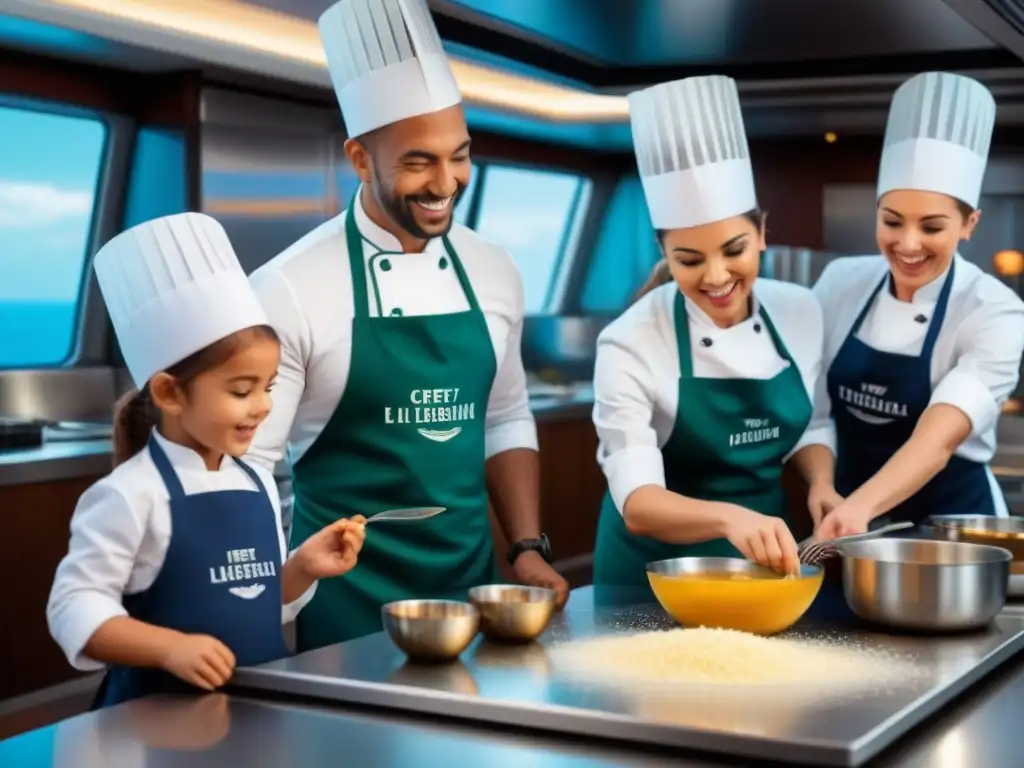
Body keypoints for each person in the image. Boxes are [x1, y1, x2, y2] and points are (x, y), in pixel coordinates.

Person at [246, 0, 568, 651]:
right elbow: (247, 467)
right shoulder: (290, 286)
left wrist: (526, 547)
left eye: (460, 156)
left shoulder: (494, 269)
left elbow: (504, 417)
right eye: (419, 161)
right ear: (360, 159)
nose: (446, 182)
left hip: (468, 589)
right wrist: (259, 603)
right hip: (344, 598)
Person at [46, 213, 366, 709]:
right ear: (170, 393)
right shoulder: (130, 495)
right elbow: (72, 609)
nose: (262, 406)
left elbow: (253, 601)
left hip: (255, 714)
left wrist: (301, 568)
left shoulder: (256, 481)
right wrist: (169, 648)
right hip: (155, 723)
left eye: (269, 387)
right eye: (241, 390)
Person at [590, 75, 837, 587]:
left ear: (763, 232)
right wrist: (730, 518)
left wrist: (822, 483)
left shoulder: (801, 311)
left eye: (734, 250)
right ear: (664, 253)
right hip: (650, 574)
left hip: (763, 566)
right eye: (690, 260)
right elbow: (637, 502)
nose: (718, 277)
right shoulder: (630, 340)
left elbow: (812, 424)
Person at [812, 72, 1024, 540]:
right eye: (892, 222)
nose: (907, 244)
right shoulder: (840, 282)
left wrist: (859, 508)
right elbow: (816, 411)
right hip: (844, 519)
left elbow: (938, 438)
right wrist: (822, 484)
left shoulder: (994, 310)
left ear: (969, 224)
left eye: (931, 227)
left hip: (955, 529)